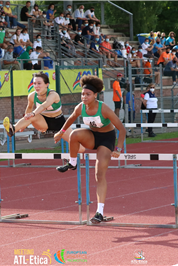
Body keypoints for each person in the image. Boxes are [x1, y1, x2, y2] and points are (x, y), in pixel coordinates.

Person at [54, 75, 126, 224]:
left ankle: (99, 212)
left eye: (87, 94)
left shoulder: (103, 108)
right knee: (74, 134)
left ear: (95, 95)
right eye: (82, 94)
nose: (84, 97)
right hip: (92, 136)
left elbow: (122, 129)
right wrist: (61, 132)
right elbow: (71, 119)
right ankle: (72, 163)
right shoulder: (80, 107)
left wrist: (118, 148)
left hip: (106, 139)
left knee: (99, 175)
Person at [3, 71, 86, 151]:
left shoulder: (53, 95)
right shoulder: (32, 96)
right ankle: (13, 129)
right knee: (32, 117)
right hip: (43, 122)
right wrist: (24, 123)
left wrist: (32, 113)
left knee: (81, 149)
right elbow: (29, 108)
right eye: (34, 83)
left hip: (59, 123)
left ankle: (72, 162)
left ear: (47, 84)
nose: (36, 86)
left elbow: (44, 105)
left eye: (39, 83)